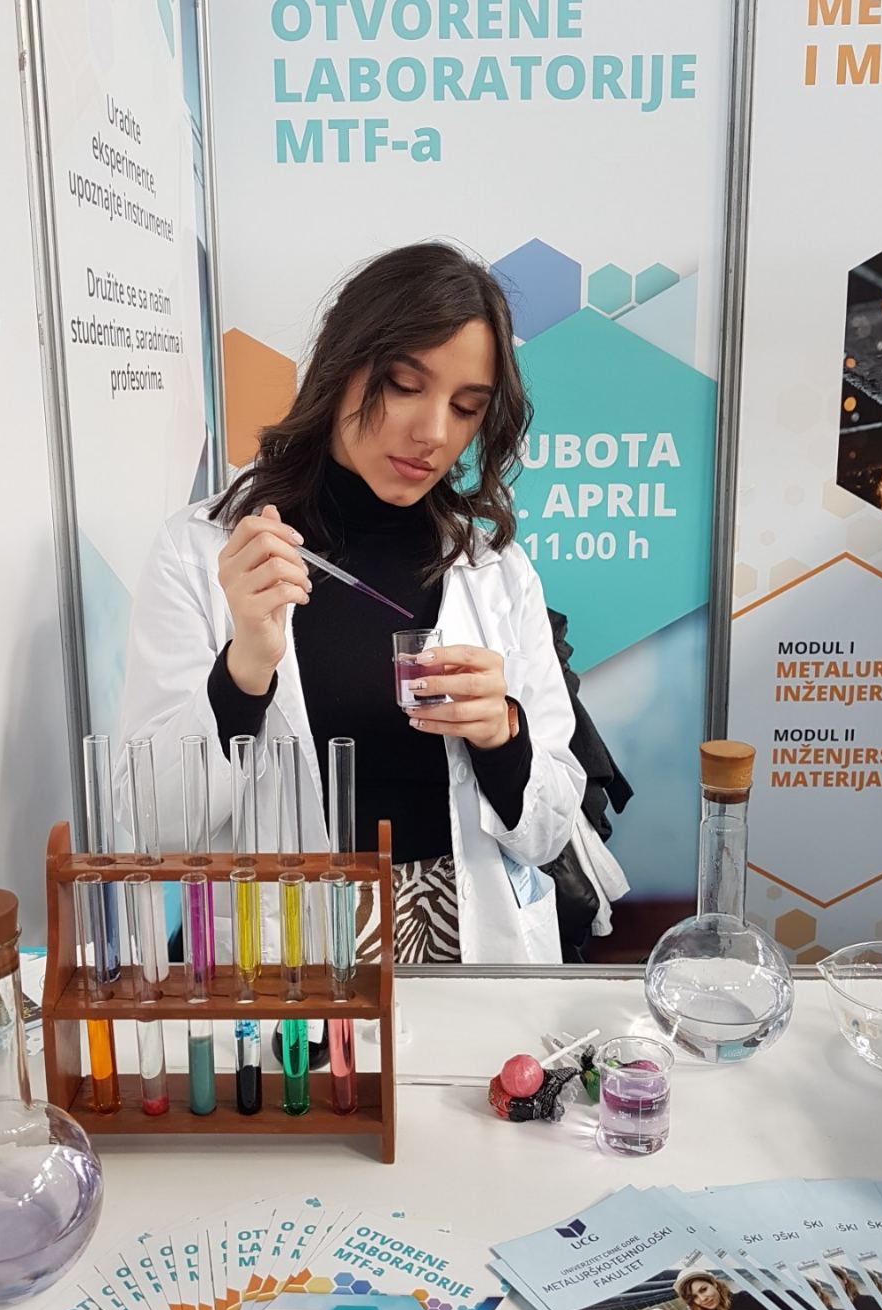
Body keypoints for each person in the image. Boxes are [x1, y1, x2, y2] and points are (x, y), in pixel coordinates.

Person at [115, 242, 585, 964]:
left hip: (469, 944)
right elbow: (152, 824)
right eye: (404, 385)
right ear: (342, 366)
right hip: (292, 954)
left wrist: (502, 736)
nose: (434, 433)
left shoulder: (493, 569)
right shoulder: (207, 551)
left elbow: (549, 833)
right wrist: (244, 669)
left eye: (466, 408)